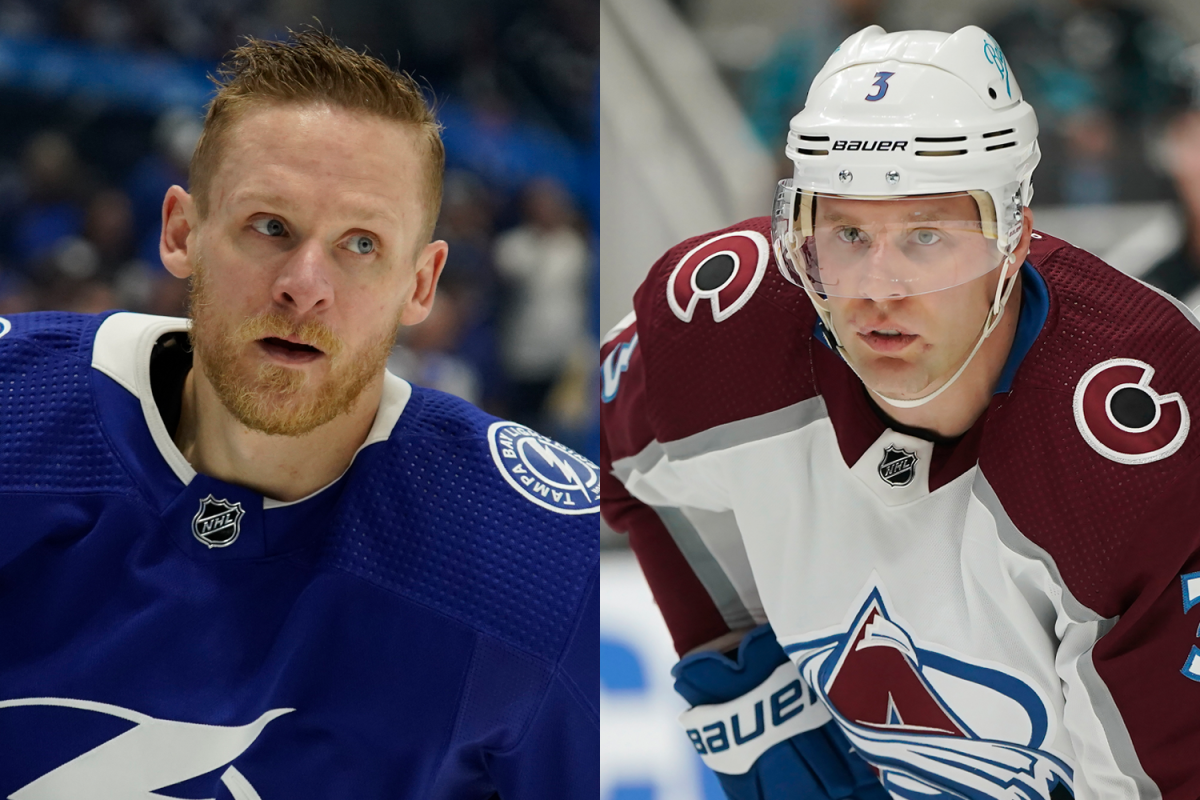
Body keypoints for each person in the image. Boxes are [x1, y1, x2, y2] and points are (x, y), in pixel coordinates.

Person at [602, 24, 1200, 800]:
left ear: (1014, 234)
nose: (879, 288)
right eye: (847, 232)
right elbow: (624, 472)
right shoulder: (725, 326)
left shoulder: (1137, 430)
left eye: (925, 234)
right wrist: (742, 686)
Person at [0, 30, 599, 798]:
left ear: (422, 283)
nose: (304, 285)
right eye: (270, 226)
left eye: (359, 243)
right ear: (181, 232)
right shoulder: (19, 415)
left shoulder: (539, 564)